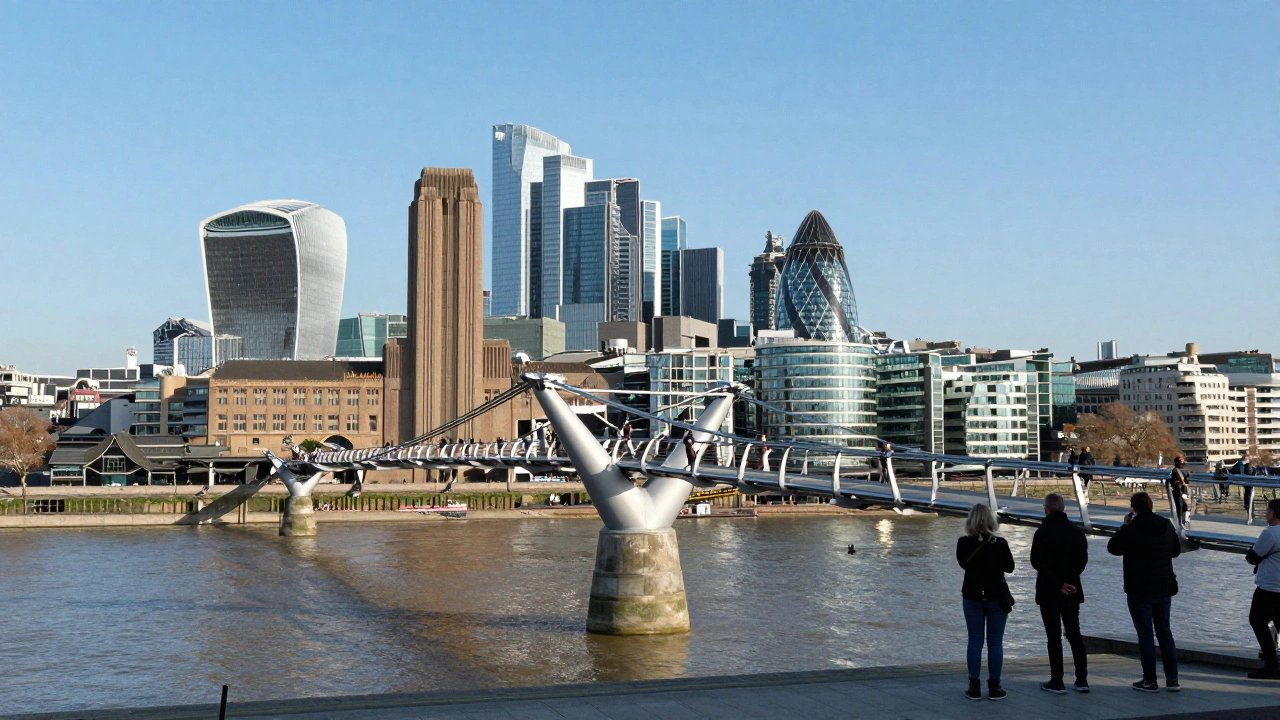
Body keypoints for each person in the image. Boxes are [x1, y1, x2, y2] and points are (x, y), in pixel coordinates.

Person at [1107, 491, 1182, 692]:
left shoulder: (1132, 528)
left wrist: (1124, 526)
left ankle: (1150, 680)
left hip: (1139, 588)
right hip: (1164, 586)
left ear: (1134, 508)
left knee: (1146, 635)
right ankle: (1172, 679)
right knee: (1165, 632)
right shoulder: (1166, 525)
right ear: (1151, 505)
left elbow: (1113, 548)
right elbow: (1175, 551)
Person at [1031, 493, 1090, 694]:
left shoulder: (1042, 533)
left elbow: (1037, 563)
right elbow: (1082, 561)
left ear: (1046, 509)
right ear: (1063, 508)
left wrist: (1058, 584)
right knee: (1074, 634)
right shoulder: (1077, 532)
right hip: (1072, 590)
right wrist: (1070, 582)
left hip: (1049, 591)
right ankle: (1082, 679)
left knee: (1053, 636)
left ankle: (1057, 680)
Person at [956, 503, 1014, 701]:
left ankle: (974, 686)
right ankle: (995, 686)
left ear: (970, 521)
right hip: (997, 597)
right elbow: (1010, 567)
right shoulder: (1000, 543)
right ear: (990, 520)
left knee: (975, 641)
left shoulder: (963, 543)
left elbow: (964, 564)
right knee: (995, 642)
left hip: (972, 596)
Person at [1245, 498, 1280, 680]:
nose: (1266, 513)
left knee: (1257, 621)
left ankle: (1271, 664)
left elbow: (1253, 556)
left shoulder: (1270, 533)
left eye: (1268, 510)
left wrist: (1251, 553)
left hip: (1269, 586)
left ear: (1273, 513)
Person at [1169, 456, 1191, 528]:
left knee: (1182, 507)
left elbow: (1173, 481)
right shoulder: (1178, 470)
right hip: (1181, 490)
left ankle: (1182, 523)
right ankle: (1182, 523)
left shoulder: (1177, 470)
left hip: (1180, 490)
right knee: (1182, 506)